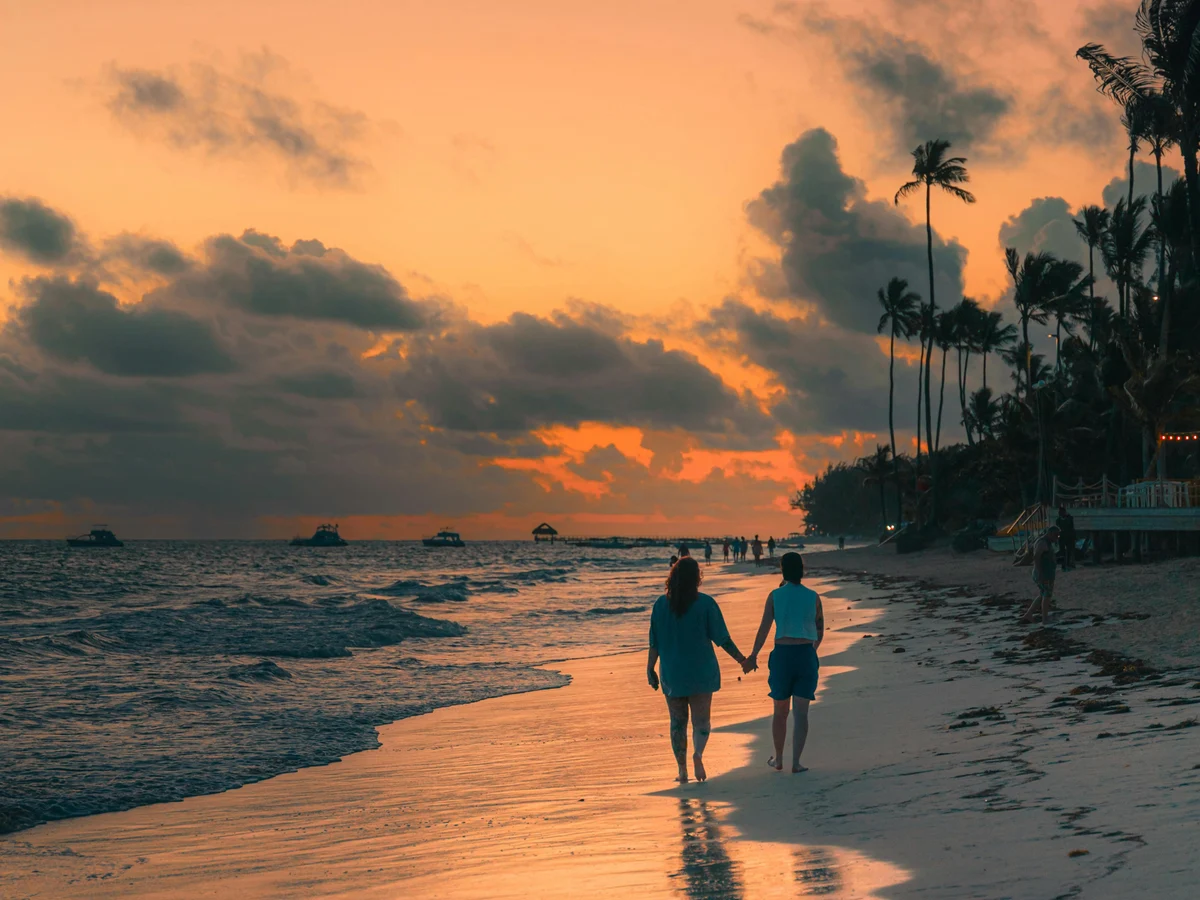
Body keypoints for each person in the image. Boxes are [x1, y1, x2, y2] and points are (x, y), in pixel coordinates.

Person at [647, 557, 750, 783]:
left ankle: (682, 771)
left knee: (677, 723)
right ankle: (698, 754)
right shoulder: (706, 603)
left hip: (672, 674)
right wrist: (742, 660)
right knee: (701, 722)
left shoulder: (660, 605)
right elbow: (723, 639)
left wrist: (650, 668)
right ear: (697, 578)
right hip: (701, 673)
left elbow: (654, 642)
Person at [745, 552, 823, 773]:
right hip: (806, 654)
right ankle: (796, 762)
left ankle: (778, 759)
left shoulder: (775, 595)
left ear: (782, 570)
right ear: (802, 570)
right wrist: (811, 651)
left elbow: (764, 628)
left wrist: (753, 655)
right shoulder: (813, 596)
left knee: (780, 710)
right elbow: (819, 629)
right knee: (801, 712)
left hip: (782, 655)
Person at [1019, 526, 1060, 625]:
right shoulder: (1042, 542)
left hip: (1046, 573)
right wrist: (1039, 571)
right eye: (1056, 535)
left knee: (1043, 594)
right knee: (1047, 595)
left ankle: (1028, 614)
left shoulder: (1045, 542)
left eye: (1058, 536)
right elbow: (1036, 556)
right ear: (1050, 533)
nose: (1057, 538)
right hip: (1044, 574)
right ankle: (1045, 619)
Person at [1056, 505, 1076, 571]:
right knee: (1062, 552)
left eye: (1060, 512)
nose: (1059, 513)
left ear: (1064, 512)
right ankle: (1063, 565)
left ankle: (1068, 564)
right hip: (1062, 537)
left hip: (1069, 537)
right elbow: (1057, 529)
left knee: (1069, 551)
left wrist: (1073, 536)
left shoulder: (1070, 518)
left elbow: (1072, 528)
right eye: (1059, 512)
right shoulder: (1058, 520)